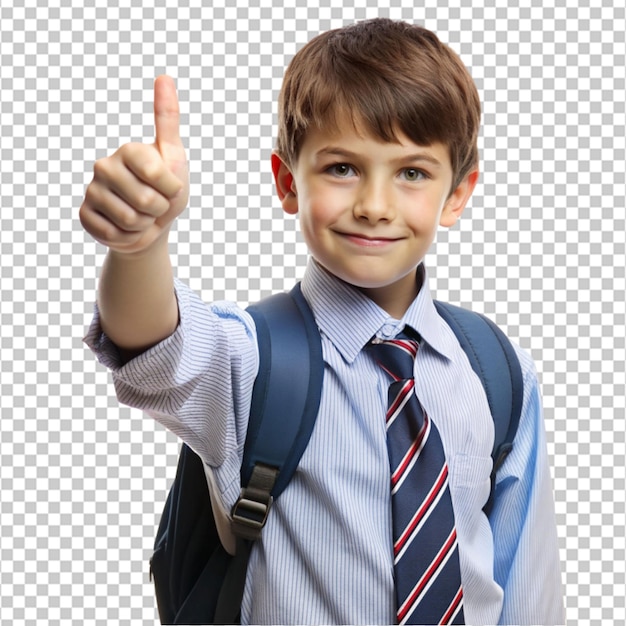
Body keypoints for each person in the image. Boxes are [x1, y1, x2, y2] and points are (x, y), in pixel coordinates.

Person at [80, 18, 564, 625]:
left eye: (412, 172)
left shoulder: (496, 369)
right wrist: (138, 247)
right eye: (342, 168)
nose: (374, 205)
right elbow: (154, 345)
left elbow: (525, 580)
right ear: (288, 182)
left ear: (457, 194)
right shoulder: (255, 358)